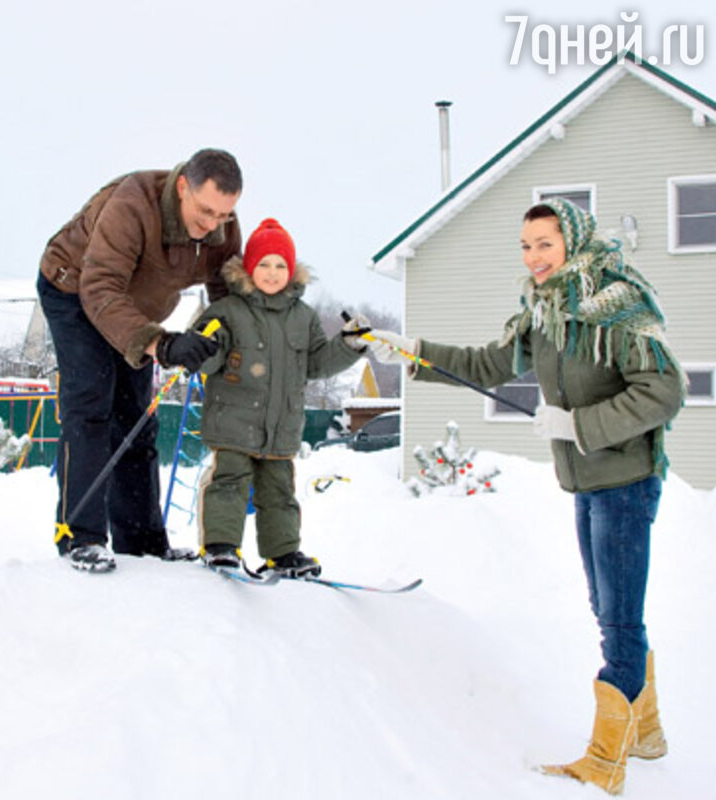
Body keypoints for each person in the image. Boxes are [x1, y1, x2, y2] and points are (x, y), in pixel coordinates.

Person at [368, 198, 684, 795]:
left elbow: (663, 391)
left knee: (617, 617)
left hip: (625, 482)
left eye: (545, 242)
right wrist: (410, 352)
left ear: (574, 240)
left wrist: (579, 426)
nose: (534, 256)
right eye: (525, 245)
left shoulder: (617, 305)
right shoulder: (543, 312)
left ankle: (605, 761)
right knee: (609, 607)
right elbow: (487, 363)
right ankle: (646, 733)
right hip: (586, 483)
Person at [37, 148, 243, 573]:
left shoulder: (223, 225)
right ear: (182, 186)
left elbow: (227, 296)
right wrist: (161, 344)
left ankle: (143, 541)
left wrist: (218, 340)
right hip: (75, 290)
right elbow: (100, 291)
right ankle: (81, 535)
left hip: (138, 307)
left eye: (223, 215)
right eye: (205, 211)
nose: (212, 225)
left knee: (135, 419)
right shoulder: (132, 206)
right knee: (91, 406)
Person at [193, 218, 368, 577]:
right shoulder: (227, 311)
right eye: (264, 265)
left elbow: (316, 362)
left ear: (291, 271)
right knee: (229, 484)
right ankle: (221, 547)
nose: (272, 273)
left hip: (281, 425)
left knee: (279, 492)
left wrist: (349, 345)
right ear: (249, 268)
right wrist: (201, 342)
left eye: (281, 266)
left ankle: (283, 553)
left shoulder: (303, 317)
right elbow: (209, 363)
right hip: (234, 422)